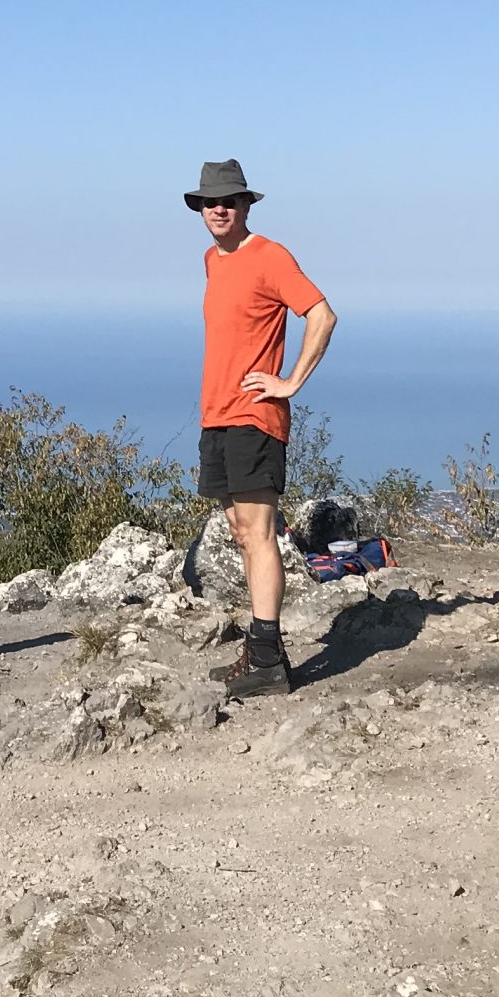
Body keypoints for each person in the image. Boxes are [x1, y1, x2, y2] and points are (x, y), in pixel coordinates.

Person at [184, 158, 336, 698]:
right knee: (243, 534)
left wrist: (290, 381)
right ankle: (261, 653)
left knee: (260, 533)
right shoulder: (211, 260)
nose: (218, 208)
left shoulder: (270, 256)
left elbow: (321, 314)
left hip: (253, 415)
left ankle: (269, 660)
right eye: (209, 202)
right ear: (200, 209)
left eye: (228, 200)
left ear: (246, 205)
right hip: (217, 415)